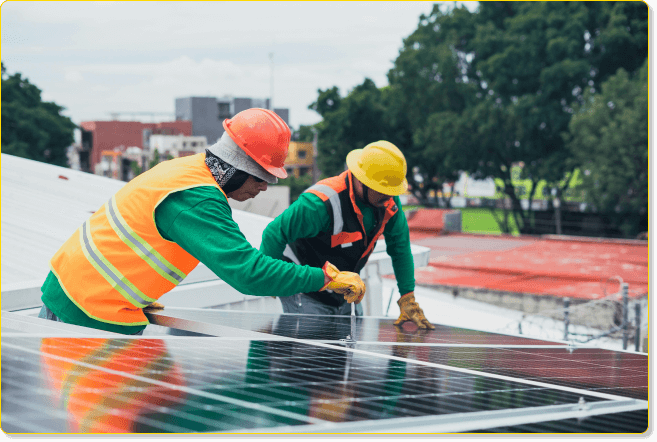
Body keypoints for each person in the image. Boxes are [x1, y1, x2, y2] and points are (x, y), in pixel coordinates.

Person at [38, 108, 365, 335]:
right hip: (87, 309)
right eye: (263, 177)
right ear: (239, 166)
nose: (265, 187)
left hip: (83, 293)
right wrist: (324, 278)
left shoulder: (188, 170)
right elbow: (247, 274)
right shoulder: (197, 198)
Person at [260, 140, 434, 329]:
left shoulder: (387, 203)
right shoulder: (320, 203)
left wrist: (407, 296)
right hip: (306, 290)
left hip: (345, 290)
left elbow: (400, 249)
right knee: (313, 348)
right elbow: (273, 233)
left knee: (346, 349)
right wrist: (271, 281)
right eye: (384, 191)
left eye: (392, 192)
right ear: (362, 181)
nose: (389, 197)